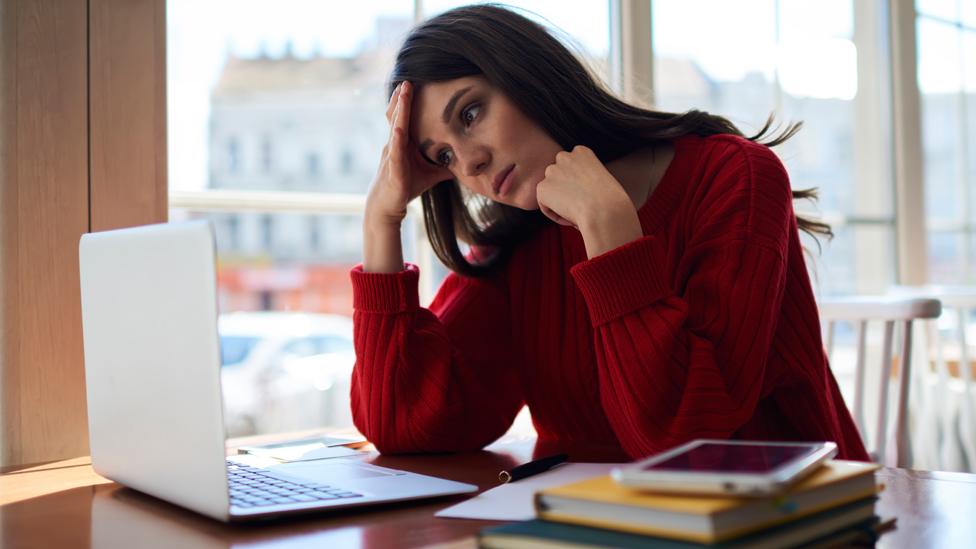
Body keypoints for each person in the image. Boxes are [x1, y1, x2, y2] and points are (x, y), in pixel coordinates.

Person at [350, 3, 869, 462]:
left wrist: (610, 237)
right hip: (589, 524)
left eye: (470, 112)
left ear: (529, 75)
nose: (470, 161)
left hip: (782, 522)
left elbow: (682, 438)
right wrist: (381, 221)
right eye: (441, 156)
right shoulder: (515, 242)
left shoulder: (735, 176)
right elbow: (407, 425)